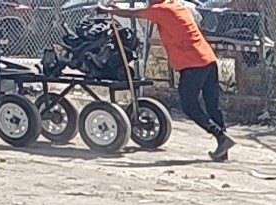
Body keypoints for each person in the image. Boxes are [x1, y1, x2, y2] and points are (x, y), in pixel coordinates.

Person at [100, 0, 233, 160]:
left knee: (189, 106)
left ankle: (221, 137)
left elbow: (134, 13)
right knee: (212, 106)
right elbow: (139, 10)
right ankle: (223, 146)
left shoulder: (161, 10)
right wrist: (115, 9)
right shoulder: (175, 6)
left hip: (193, 64)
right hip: (208, 60)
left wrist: (108, 11)